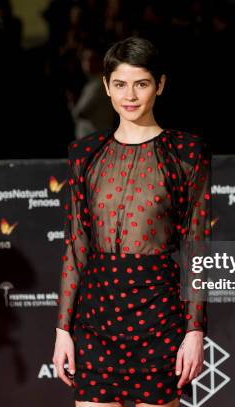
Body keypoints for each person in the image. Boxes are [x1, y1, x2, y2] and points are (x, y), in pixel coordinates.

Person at [53, 36, 211, 406]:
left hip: (159, 314)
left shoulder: (187, 152)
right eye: (120, 84)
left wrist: (195, 331)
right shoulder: (84, 154)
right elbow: (75, 246)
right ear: (106, 86)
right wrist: (63, 329)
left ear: (160, 85)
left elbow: (197, 247)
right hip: (96, 317)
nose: (131, 95)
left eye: (141, 83)